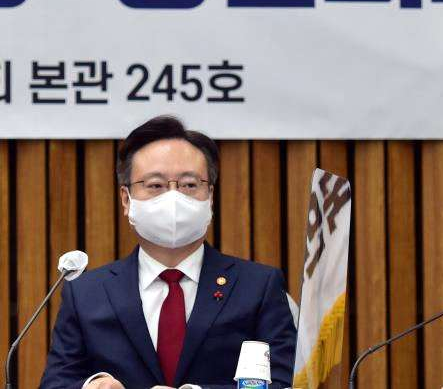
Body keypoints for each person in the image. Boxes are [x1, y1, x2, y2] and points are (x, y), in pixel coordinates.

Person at [40, 116, 296, 389]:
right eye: (155, 185)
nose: (174, 198)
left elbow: (284, 381)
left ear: (210, 196)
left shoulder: (258, 286)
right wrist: (91, 386)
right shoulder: (86, 293)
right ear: (126, 199)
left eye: (189, 185)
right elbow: (55, 383)